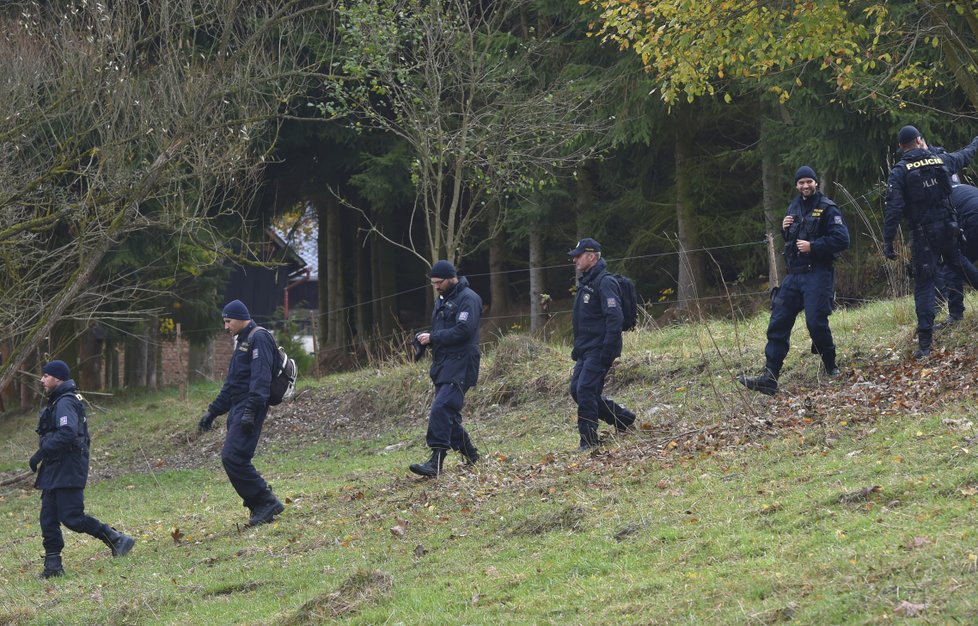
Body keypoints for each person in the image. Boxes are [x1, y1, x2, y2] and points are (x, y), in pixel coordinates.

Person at [739, 166, 850, 396]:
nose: (805, 186)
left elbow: (842, 239)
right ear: (796, 185)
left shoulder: (828, 208)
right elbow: (791, 240)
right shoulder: (794, 206)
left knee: (816, 323)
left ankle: (830, 365)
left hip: (818, 273)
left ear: (816, 183)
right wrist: (785, 229)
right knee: (777, 322)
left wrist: (814, 247)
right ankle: (770, 377)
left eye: (809, 181)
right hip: (794, 276)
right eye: (801, 183)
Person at [29, 360, 135, 578]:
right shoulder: (58, 401)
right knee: (48, 518)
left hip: (68, 468)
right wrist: (41, 455)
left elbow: (68, 433)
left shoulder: (65, 402)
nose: (42, 380)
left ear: (57, 378)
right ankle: (53, 567)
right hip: (55, 469)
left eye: (46, 376)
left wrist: (42, 450)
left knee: (72, 517)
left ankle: (117, 539)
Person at [883, 125, 978, 358]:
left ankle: (924, 345)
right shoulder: (939, 160)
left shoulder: (900, 171)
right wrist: (976, 142)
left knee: (924, 285)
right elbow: (964, 155)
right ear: (919, 140)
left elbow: (893, 209)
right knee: (961, 264)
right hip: (950, 229)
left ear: (900, 147)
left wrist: (888, 241)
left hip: (924, 236)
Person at [197, 300, 284, 525]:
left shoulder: (259, 338)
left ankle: (265, 501)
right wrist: (212, 412)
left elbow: (261, 380)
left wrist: (250, 412)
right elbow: (232, 385)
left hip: (250, 407)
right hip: (238, 407)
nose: (226, 326)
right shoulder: (243, 341)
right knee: (234, 458)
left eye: (228, 321)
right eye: (224, 322)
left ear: (240, 317)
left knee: (234, 457)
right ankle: (259, 506)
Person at [409, 260, 482, 477]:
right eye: (433, 283)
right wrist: (425, 340)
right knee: (448, 414)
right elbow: (443, 331)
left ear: (452, 277)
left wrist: (434, 337)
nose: (437, 286)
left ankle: (436, 461)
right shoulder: (442, 300)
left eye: (439, 282)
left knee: (441, 408)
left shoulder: (468, 299)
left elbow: (464, 330)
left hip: (462, 363)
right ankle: (472, 455)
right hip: (443, 365)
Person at [568, 238, 635, 450]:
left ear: (592, 256)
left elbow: (614, 318)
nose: (575, 260)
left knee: (586, 390)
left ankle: (588, 440)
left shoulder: (605, 282)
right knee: (576, 390)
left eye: (579, 255)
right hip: (585, 349)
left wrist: (607, 350)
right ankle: (622, 418)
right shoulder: (586, 282)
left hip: (600, 349)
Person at [936, 183, 978, 326]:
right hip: (972, 215)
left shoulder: (939, 197)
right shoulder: (962, 188)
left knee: (952, 264)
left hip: (973, 220)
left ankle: (955, 315)